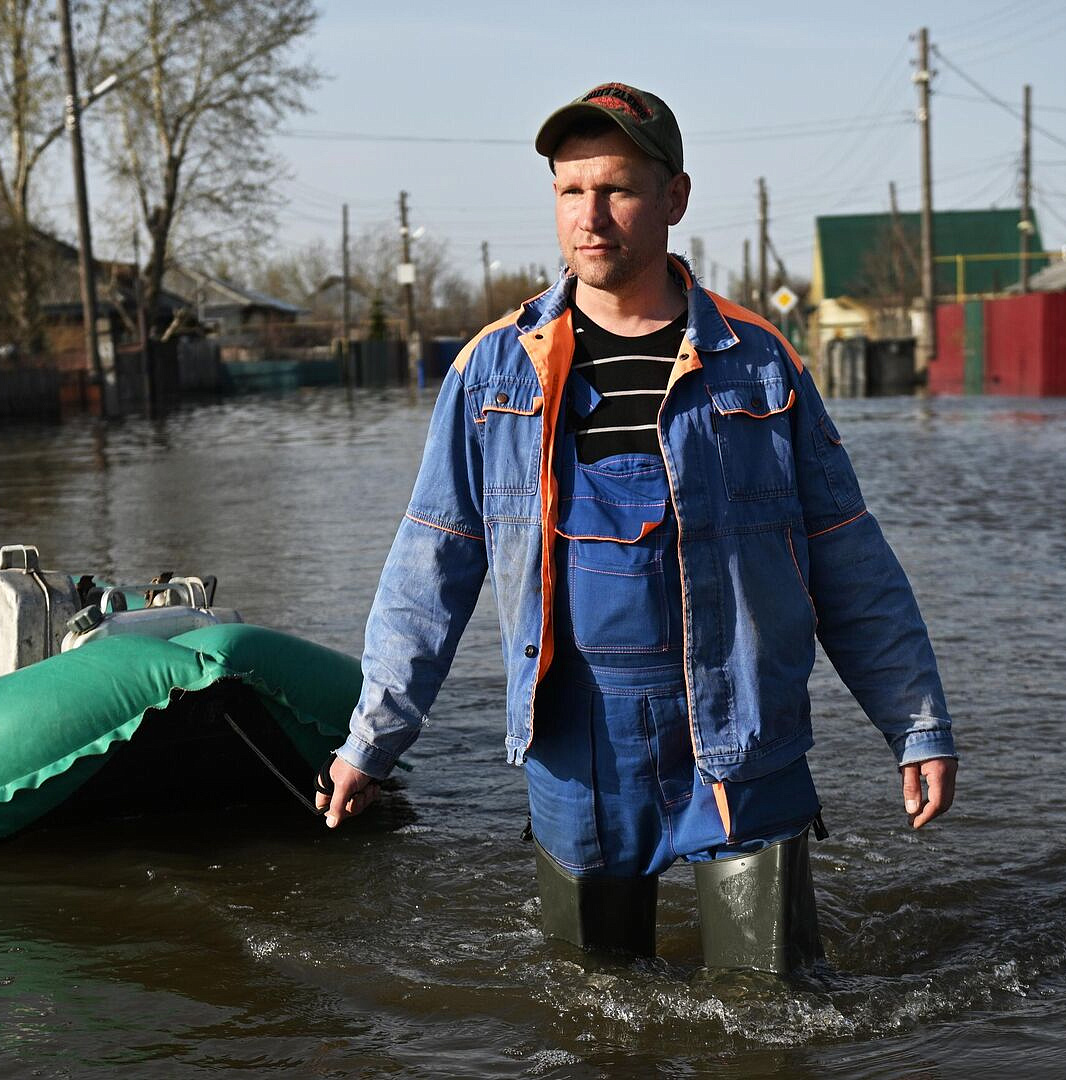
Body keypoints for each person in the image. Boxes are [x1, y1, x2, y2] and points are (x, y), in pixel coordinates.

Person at [317, 82, 957, 973]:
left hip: (742, 732)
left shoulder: (758, 362)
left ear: (674, 198)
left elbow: (847, 556)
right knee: (594, 1017)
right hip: (578, 744)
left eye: (616, 188)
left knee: (768, 1014)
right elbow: (431, 567)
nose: (592, 216)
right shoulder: (493, 371)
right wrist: (371, 741)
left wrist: (914, 722)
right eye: (570, 190)